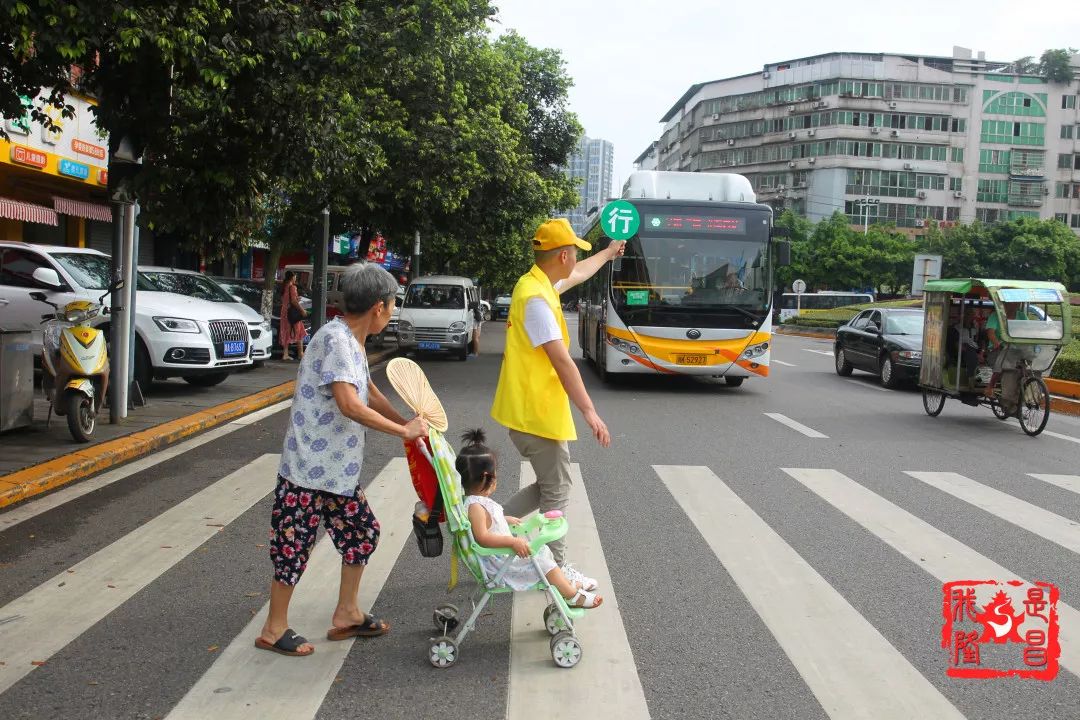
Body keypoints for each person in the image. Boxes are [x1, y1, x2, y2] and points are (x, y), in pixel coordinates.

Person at [257, 263, 428, 658]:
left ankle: (348, 612)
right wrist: (403, 433)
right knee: (293, 549)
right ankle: (273, 628)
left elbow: (367, 390)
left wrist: (410, 424)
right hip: (307, 471)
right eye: (392, 304)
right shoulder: (335, 340)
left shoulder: (351, 341)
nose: (391, 311)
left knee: (362, 533)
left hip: (336, 473)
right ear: (379, 307)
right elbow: (350, 404)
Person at [490, 217, 625, 582]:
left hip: (531, 410)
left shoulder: (537, 282)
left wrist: (609, 253)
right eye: (573, 252)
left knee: (552, 484)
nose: (574, 259)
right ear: (562, 254)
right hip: (536, 414)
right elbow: (562, 360)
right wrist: (589, 411)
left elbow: (580, 272)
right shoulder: (536, 299)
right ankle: (558, 571)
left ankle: (489, 533)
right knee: (557, 492)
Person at [458, 429, 602, 608]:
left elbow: (488, 525)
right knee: (542, 561)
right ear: (488, 478)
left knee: (542, 553)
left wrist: (505, 520)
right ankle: (573, 596)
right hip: (501, 565)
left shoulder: (478, 502)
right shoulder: (475, 507)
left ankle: (565, 584)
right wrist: (511, 542)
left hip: (503, 558)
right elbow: (483, 538)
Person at [982, 301, 1029, 399]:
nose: (1017, 304)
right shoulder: (996, 315)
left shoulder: (1021, 315)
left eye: (1018, 303)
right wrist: (997, 344)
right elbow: (991, 333)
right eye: (1014, 302)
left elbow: (1029, 329)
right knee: (1001, 361)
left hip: (1016, 350)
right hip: (998, 350)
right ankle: (990, 387)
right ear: (1006, 303)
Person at [280, 271, 308, 362]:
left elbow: (287, 299)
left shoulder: (284, 286)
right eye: (295, 276)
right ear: (292, 277)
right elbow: (294, 302)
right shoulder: (293, 287)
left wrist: (296, 298)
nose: (296, 278)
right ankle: (300, 353)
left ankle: (285, 354)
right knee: (299, 331)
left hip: (285, 312)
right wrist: (302, 310)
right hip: (292, 313)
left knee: (286, 331)